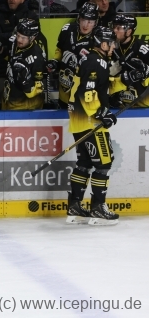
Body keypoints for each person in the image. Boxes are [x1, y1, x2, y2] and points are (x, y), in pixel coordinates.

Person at [66, 26, 120, 225]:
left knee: (85, 163)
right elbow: (87, 93)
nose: (113, 46)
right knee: (104, 163)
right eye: (111, 43)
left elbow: (98, 87)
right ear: (103, 44)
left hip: (79, 120)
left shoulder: (91, 59)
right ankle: (98, 208)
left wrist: (123, 82)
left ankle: (74, 207)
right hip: (90, 121)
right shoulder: (96, 62)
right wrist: (101, 114)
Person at [52, 2, 98, 108]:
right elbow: (60, 49)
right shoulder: (67, 29)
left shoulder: (98, 38)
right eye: (83, 20)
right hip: (65, 83)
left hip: (84, 90)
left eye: (90, 22)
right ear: (79, 19)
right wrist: (55, 61)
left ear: (95, 22)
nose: (86, 25)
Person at [0, 0, 39, 75]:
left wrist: (8, 37)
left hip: (26, 59)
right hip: (2, 61)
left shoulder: (31, 16)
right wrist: (16, 35)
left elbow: (34, 37)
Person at [2, 18, 46, 110]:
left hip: (26, 106)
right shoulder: (14, 42)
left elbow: (37, 89)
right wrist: (1, 52)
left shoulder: (36, 57)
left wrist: (25, 81)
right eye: (18, 35)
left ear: (32, 38)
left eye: (23, 38)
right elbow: (9, 58)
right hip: (9, 98)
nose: (19, 40)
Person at [110, 13, 149, 108]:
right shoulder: (110, 46)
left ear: (129, 31)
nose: (114, 30)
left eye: (118, 28)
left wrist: (144, 71)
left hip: (139, 89)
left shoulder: (142, 48)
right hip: (118, 88)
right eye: (114, 27)